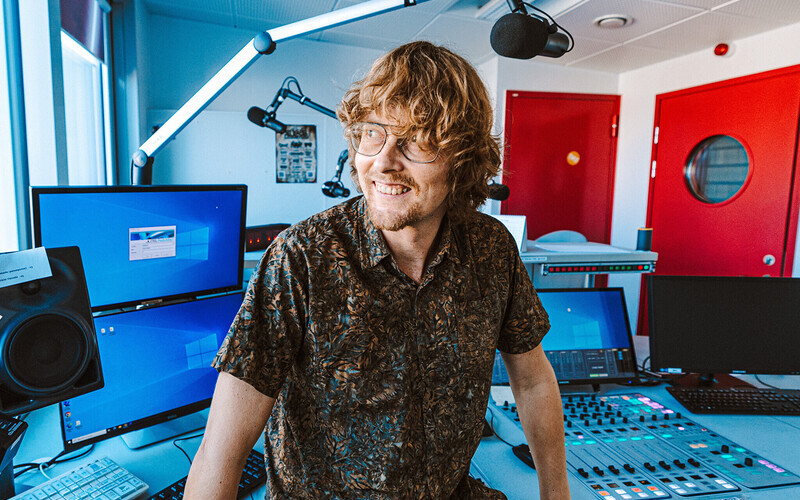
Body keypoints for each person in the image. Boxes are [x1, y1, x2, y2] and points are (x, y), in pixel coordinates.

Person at [184, 41, 569, 499]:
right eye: (373, 133)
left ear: (462, 158)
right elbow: (219, 454)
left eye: (416, 139)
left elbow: (533, 379)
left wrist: (557, 494)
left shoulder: (492, 250)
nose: (383, 162)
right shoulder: (300, 258)